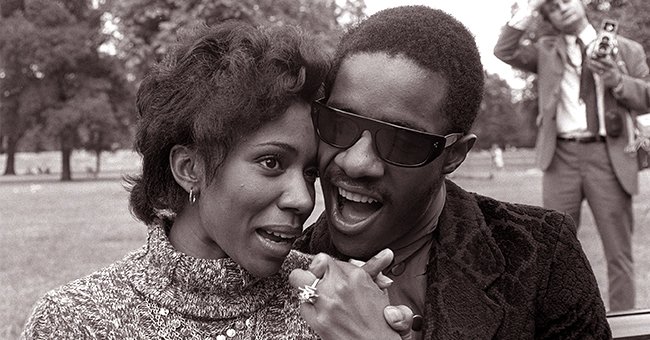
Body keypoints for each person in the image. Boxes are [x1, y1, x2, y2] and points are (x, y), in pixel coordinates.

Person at [21, 21, 409, 339]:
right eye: (272, 162)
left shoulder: (335, 310)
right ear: (190, 168)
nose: (304, 200)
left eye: (310, 172)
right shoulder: (75, 323)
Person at [290, 5, 612, 339]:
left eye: (401, 141)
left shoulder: (541, 257)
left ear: (453, 156)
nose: (356, 162)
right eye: (340, 123)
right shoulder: (279, 265)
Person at [494, 0, 650, 311]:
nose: (562, 8)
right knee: (553, 248)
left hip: (608, 155)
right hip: (561, 157)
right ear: (548, 17)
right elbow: (505, 50)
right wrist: (531, 6)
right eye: (551, 7)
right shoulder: (546, 48)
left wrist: (617, 81)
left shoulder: (627, 49)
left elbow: (647, 97)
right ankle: (563, 324)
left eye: (566, 0)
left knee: (619, 254)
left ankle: (626, 322)